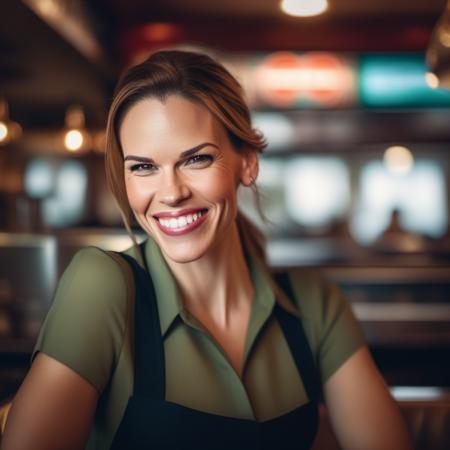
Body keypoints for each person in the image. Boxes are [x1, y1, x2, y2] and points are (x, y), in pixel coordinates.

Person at [1, 50, 412, 450]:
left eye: (196, 159)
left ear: (247, 162)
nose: (172, 193)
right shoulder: (103, 285)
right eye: (143, 167)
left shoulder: (314, 304)